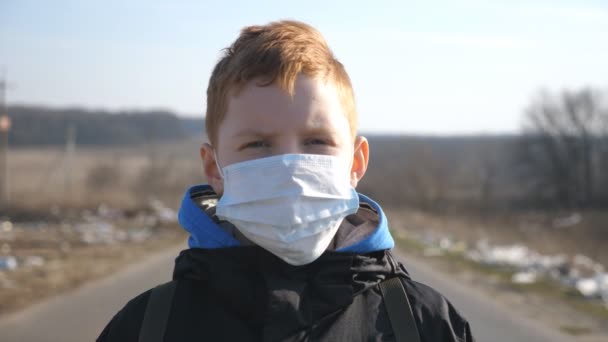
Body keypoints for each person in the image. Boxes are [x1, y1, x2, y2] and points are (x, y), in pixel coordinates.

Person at [97, 20, 475, 342]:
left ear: (355, 162)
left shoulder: (421, 323)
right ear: (214, 168)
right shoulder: (148, 326)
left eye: (316, 142)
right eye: (258, 144)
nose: (290, 169)